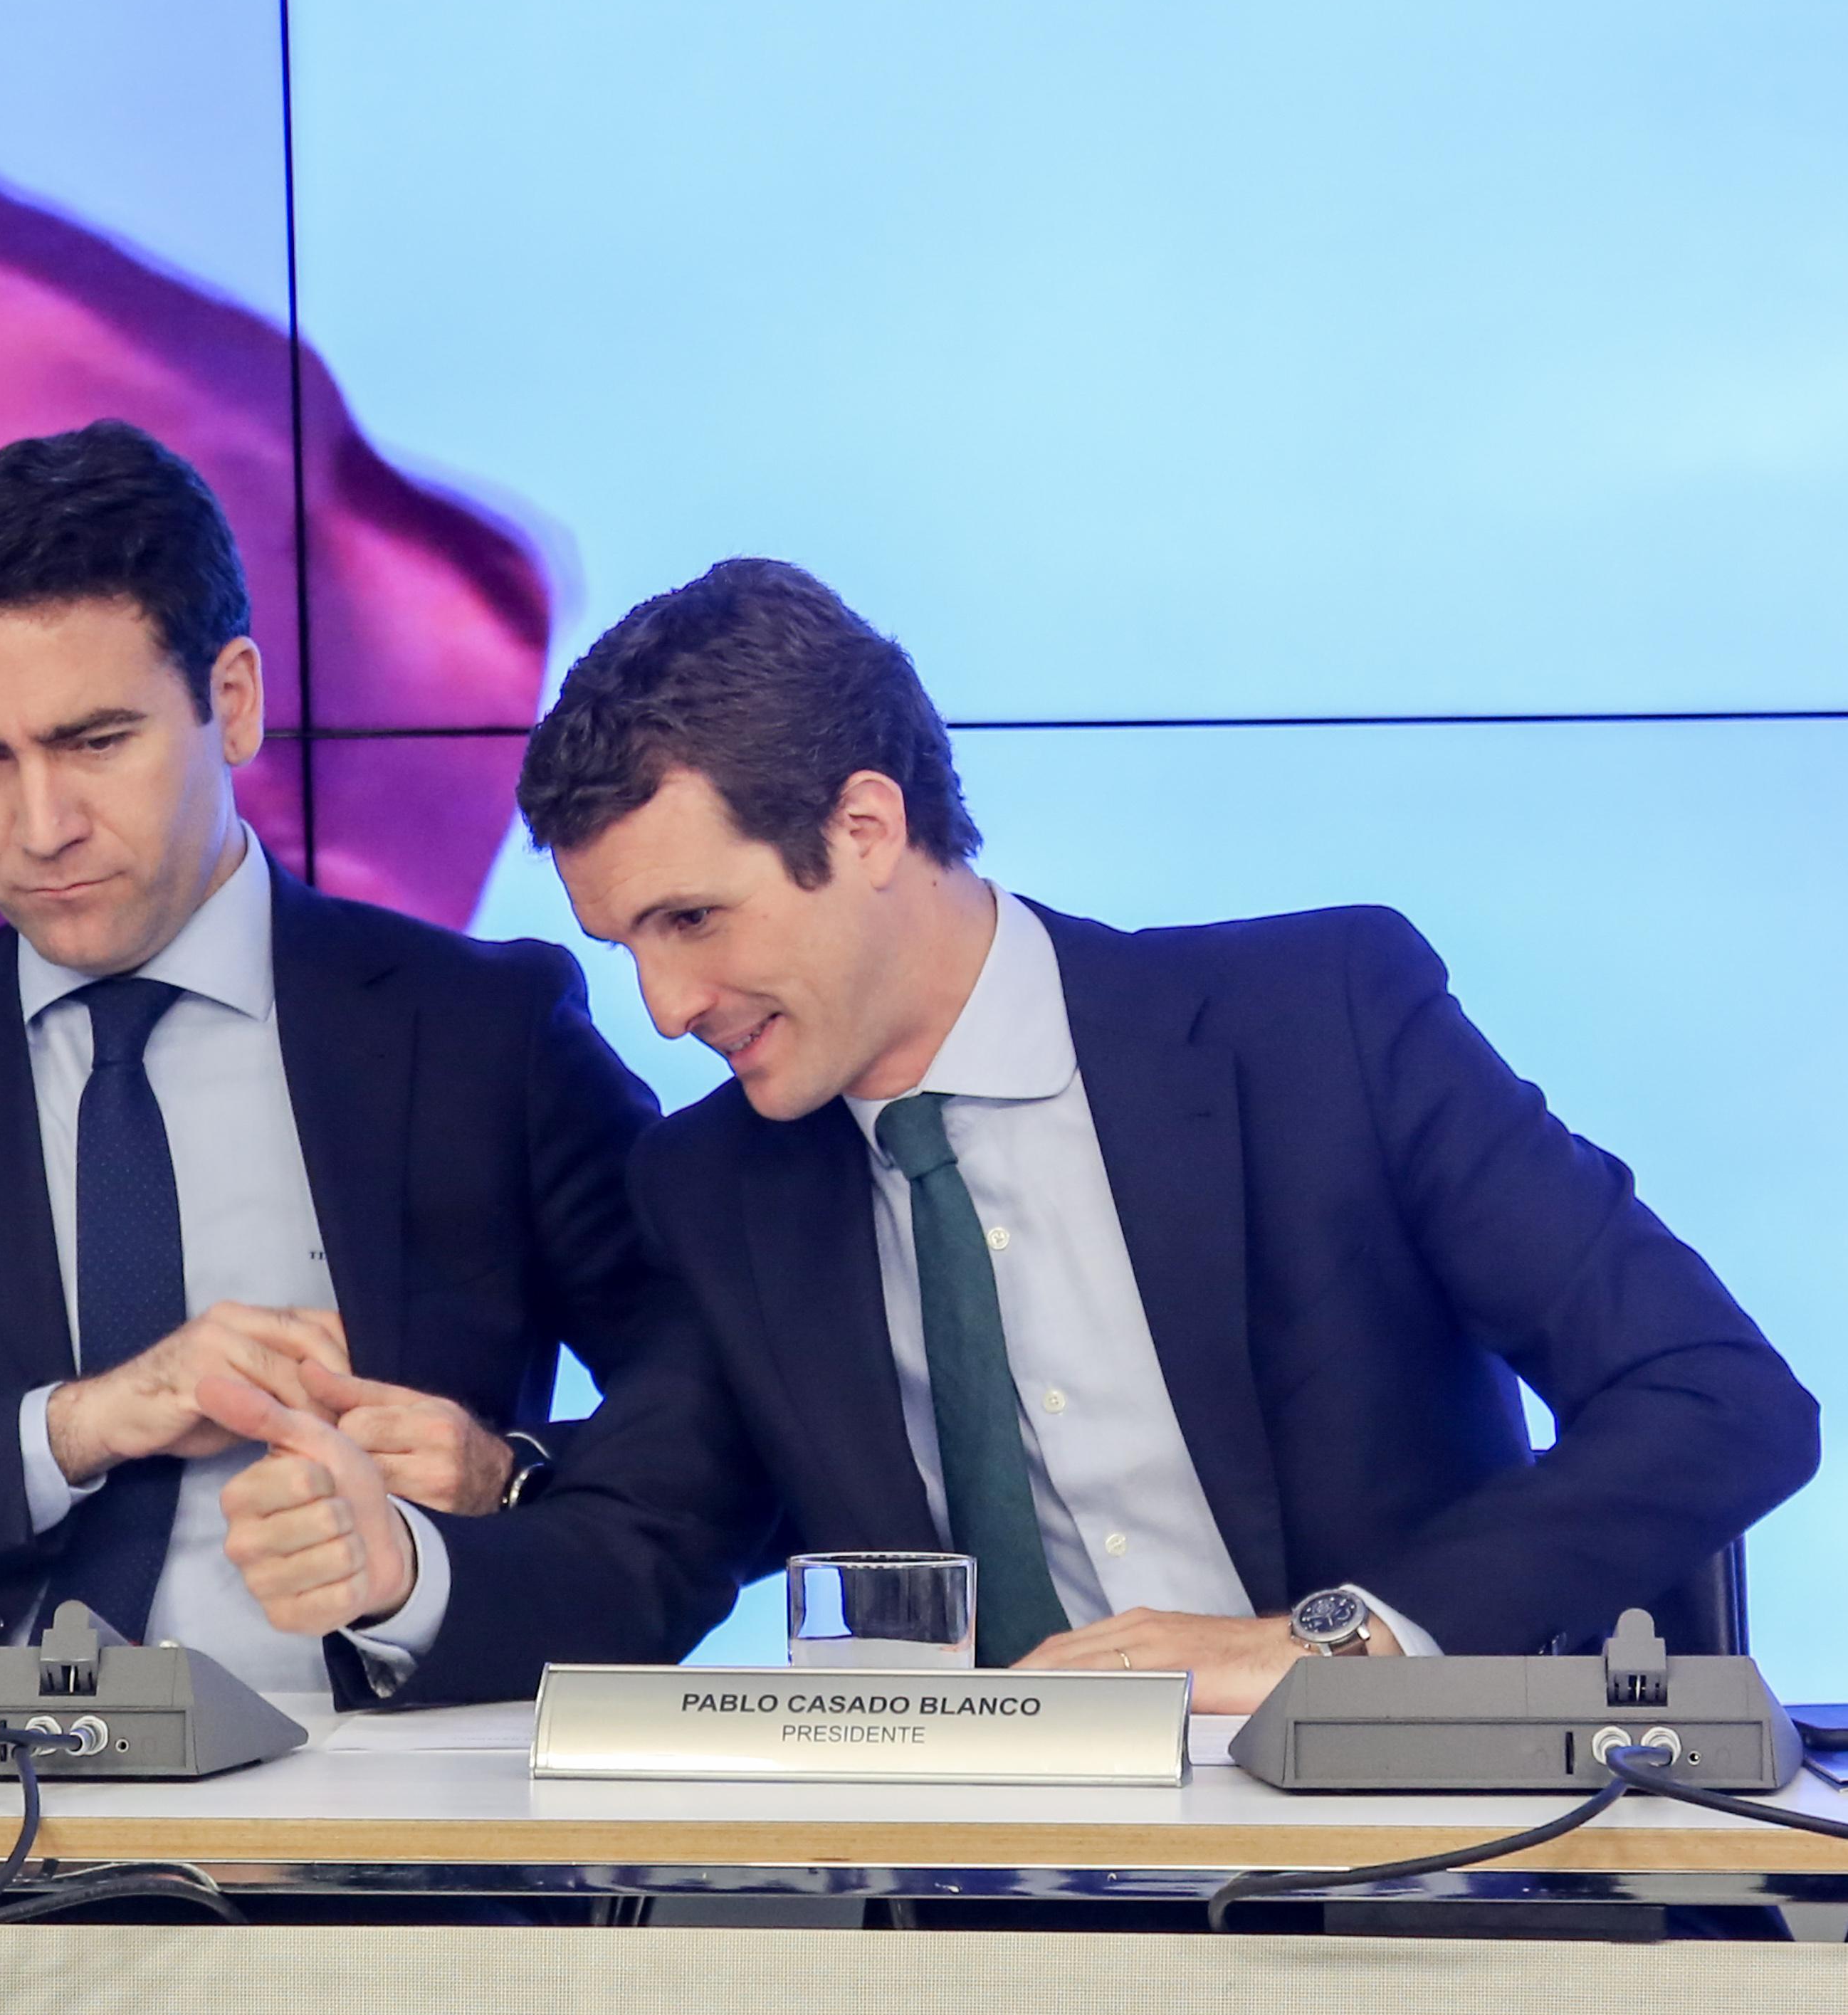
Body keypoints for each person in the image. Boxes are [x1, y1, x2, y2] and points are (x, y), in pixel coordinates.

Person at [219, 557, 1819, 1710]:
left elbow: (1720, 1397)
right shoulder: (721, 1183)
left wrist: (1324, 1643)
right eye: (622, 942)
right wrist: (402, 1570)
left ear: (864, 825)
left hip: (1399, 1887)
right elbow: (642, 1546)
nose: (662, 1005)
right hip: (999, 1937)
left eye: (693, 919)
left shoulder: (1315, 1022)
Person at [0, 421, 664, 1697]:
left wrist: (504, 1477)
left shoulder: (478, 1035)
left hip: (382, 1853)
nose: (42, 825)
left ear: (232, 702)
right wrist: (76, 1426)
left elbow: (712, 1459)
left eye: (95, 742)